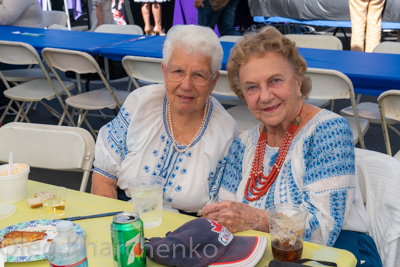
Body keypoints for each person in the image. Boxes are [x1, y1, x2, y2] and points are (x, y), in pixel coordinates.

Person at [201, 26, 382, 266]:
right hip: (258, 255)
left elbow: (322, 231)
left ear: (298, 81)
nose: (265, 96)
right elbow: (223, 214)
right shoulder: (243, 144)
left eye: (275, 81)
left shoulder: (328, 131)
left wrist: (253, 218)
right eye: (252, 87)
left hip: (334, 255)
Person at [91, 24, 239, 215]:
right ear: (164, 71)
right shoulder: (139, 104)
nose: (186, 85)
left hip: (187, 233)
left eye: (198, 75)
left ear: (213, 81)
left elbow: (220, 213)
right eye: (177, 71)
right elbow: (104, 177)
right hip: (124, 221)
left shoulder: (226, 131)